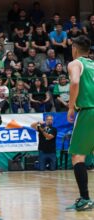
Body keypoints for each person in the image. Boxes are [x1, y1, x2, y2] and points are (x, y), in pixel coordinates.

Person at [66, 35, 94, 211]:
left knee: (77, 155)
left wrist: (70, 107)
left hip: (88, 111)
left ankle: (85, 199)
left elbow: (75, 81)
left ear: (74, 48)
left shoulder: (75, 63)